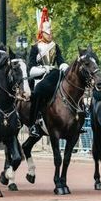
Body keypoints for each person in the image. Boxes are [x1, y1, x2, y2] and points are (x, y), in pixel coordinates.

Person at [27, 7, 67, 137]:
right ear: (41, 33)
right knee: (38, 92)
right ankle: (33, 123)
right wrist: (44, 69)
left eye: (51, 33)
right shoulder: (35, 47)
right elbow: (30, 69)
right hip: (40, 78)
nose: (50, 35)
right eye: (47, 33)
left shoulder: (55, 46)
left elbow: (61, 61)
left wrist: (65, 66)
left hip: (54, 76)